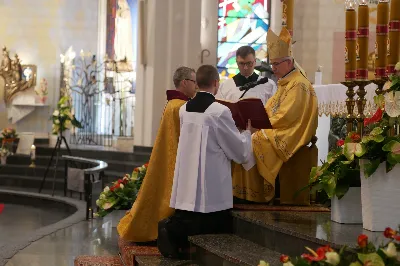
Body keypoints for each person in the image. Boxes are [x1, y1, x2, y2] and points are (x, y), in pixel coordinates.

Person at [157, 65, 255, 259]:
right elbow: (237, 149)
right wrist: (247, 135)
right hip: (211, 180)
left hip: (187, 177)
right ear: (216, 84)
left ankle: (176, 238)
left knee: (189, 216)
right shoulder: (219, 111)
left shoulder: (185, 109)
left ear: (198, 83)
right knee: (212, 219)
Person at [232, 27, 318, 204]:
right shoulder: (285, 82)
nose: (273, 68)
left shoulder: (299, 84)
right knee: (243, 137)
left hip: (291, 133)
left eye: (276, 64)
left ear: (289, 62)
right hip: (279, 128)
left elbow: (287, 116)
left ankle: (257, 193)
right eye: (272, 64)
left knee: (255, 140)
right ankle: (245, 192)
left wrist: (260, 127)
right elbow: (270, 109)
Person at [117, 66, 197, 242]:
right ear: (184, 82)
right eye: (193, 81)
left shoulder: (172, 103)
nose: (196, 85)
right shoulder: (182, 106)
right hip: (177, 159)